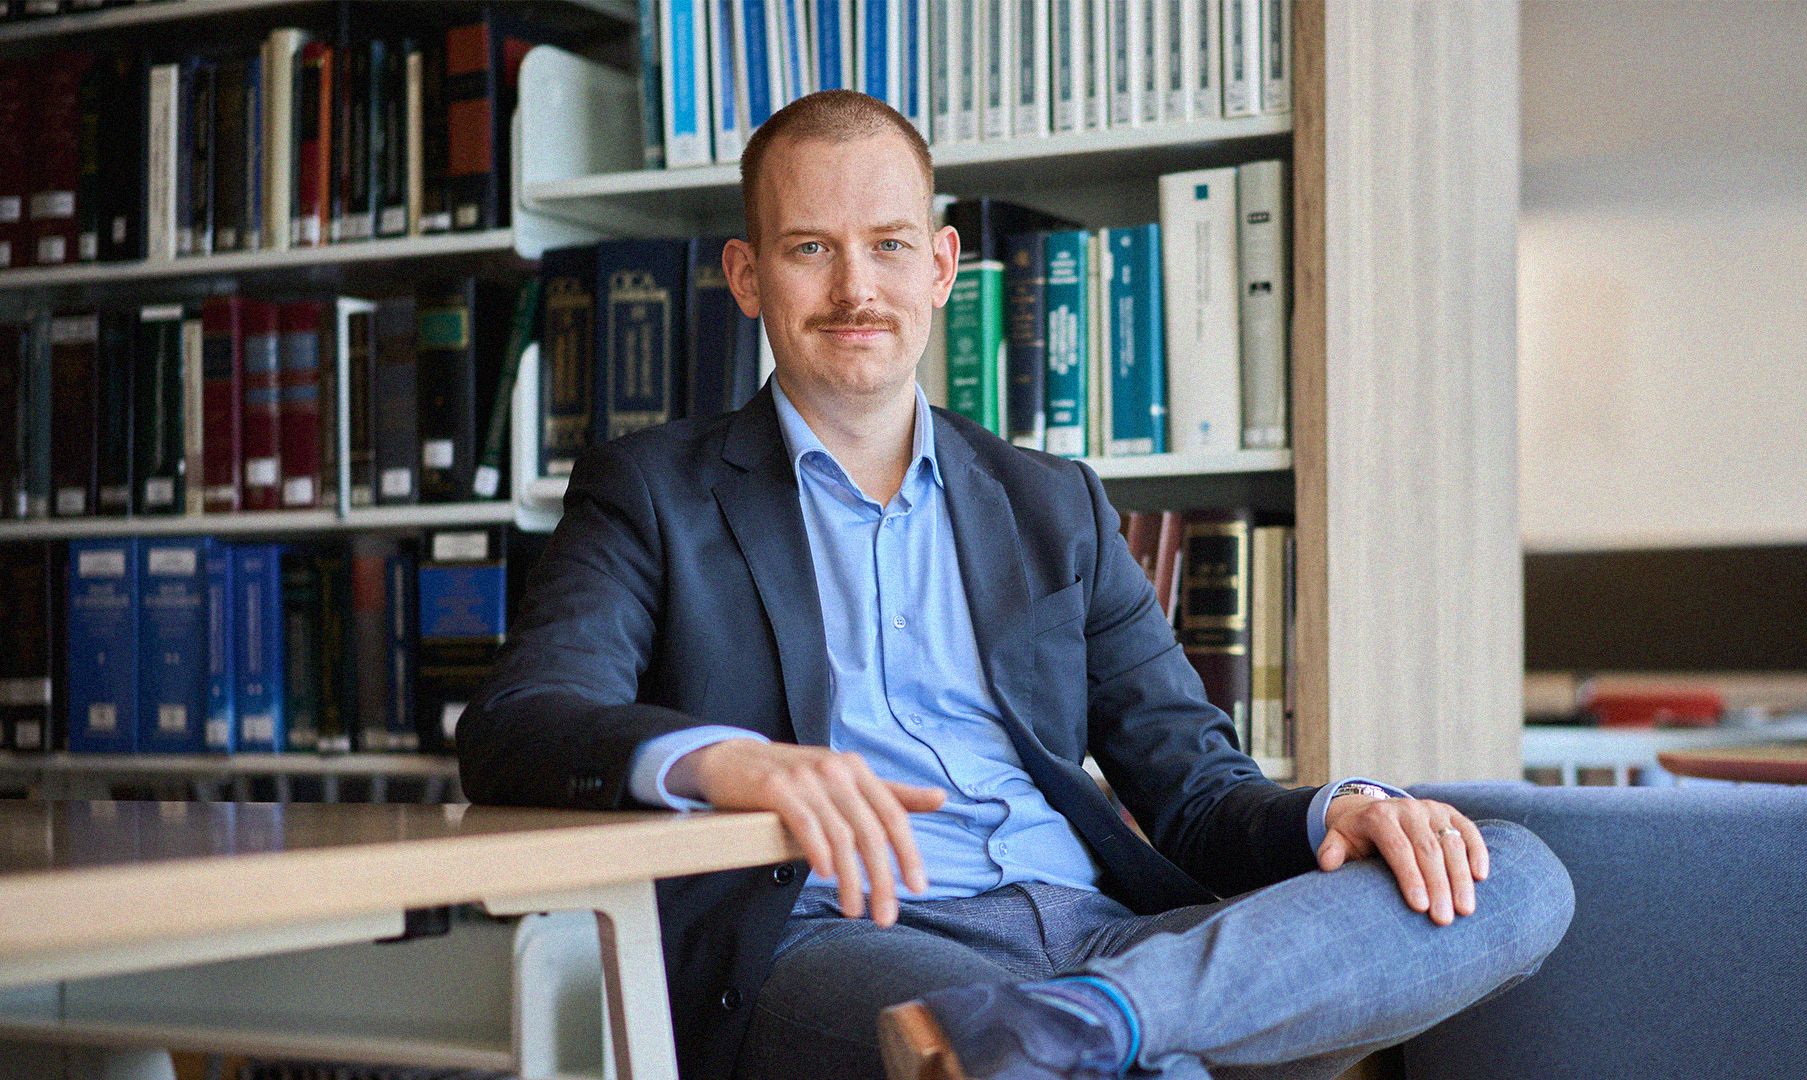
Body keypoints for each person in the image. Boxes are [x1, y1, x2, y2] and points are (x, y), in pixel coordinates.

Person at [459, 90, 1574, 1080]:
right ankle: (1118, 1037)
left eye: (890, 245)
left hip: (1102, 934)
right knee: (1046, 1048)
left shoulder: (1054, 505)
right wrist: (727, 762)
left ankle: (1095, 1026)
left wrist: (1347, 811)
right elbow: (516, 724)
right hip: (839, 939)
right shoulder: (653, 491)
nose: (857, 288)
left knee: (1514, 876)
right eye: (810, 249)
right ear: (747, 277)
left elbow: (1191, 790)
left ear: (941, 267)